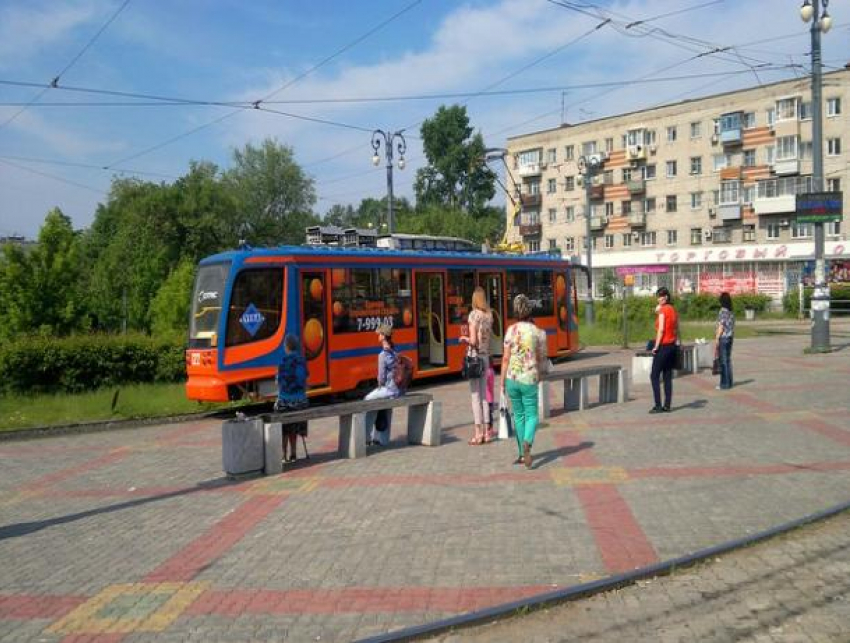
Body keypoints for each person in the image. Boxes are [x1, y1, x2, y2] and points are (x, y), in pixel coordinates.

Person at [501, 294, 547, 469]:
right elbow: (542, 359)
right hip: (529, 378)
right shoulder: (538, 332)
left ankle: (521, 454)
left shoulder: (510, 331)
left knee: (518, 416)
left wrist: (502, 382)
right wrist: (541, 374)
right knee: (532, 415)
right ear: (529, 310)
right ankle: (528, 442)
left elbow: (505, 358)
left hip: (512, 378)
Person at [460, 286, 494, 445]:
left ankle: (478, 433)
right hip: (485, 357)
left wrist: (464, 339)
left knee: (475, 397)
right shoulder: (489, 315)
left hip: (474, 358)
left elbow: (473, 341)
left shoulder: (473, 315)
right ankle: (488, 432)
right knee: (484, 396)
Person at [364, 323, 401, 447]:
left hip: (389, 389)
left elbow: (381, 379)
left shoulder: (382, 355)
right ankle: (382, 440)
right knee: (385, 407)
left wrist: (379, 384)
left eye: (379, 333)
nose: (378, 336)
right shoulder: (394, 351)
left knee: (367, 401)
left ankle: (365, 437)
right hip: (397, 390)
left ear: (384, 336)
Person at [274, 334, 309, 463]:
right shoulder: (302, 361)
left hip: (285, 402)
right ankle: (294, 452)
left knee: (283, 418)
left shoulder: (282, 362)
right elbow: (306, 383)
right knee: (293, 422)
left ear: (287, 347)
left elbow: (278, 384)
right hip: (301, 402)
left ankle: (284, 454)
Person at [649, 286, 679, 414]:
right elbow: (676, 328)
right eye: (658, 296)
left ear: (666, 297)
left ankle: (658, 405)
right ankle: (667, 405)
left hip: (663, 346)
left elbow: (661, 329)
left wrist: (656, 346)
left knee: (654, 375)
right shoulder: (673, 309)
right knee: (667, 376)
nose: (658, 299)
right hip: (672, 346)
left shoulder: (662, 311)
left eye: (660, 296)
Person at [715, 291, 735, 390]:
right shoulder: (731, 311)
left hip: (723, 338)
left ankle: (724, 384)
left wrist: (717, 338)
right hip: (730, 337)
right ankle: (730, 382)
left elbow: (721, 326)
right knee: (727, 360)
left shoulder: (722, 311)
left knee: (723, 362)